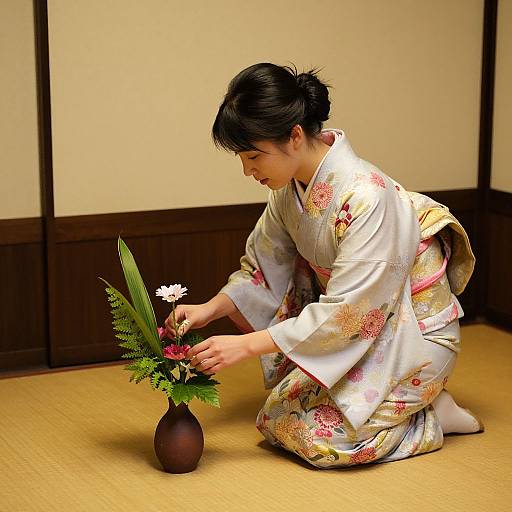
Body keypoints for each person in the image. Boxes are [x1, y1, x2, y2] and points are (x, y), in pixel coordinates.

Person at [164, 62, 483, 468]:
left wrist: (245, 345)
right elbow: (263, 267)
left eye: (252, 155)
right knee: (276, 420)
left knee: (318, 441)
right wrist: (210, 309)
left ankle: (434, 415)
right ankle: (411, 410)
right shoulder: (287, 191)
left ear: (294, 135)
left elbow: (350, 312)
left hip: (411, 334)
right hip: (364, 328)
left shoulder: (368, 196)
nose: (248, 170)